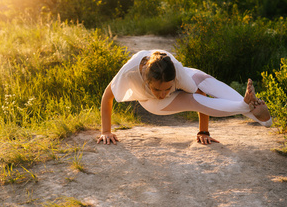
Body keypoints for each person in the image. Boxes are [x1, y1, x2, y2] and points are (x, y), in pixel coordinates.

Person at [97, 50, 272, 146]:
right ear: (146, 81)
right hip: (151, 103)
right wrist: (106, 131)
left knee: (204, 80)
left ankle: (261, 116)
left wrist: (203, 131)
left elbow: (200, 92)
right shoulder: (129, 72)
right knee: (190, 101)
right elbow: (107, 96)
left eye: (167, 88)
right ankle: (245, 106)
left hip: (182, 77)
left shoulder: (177, 69)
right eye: (158, 89)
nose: (163, 93)